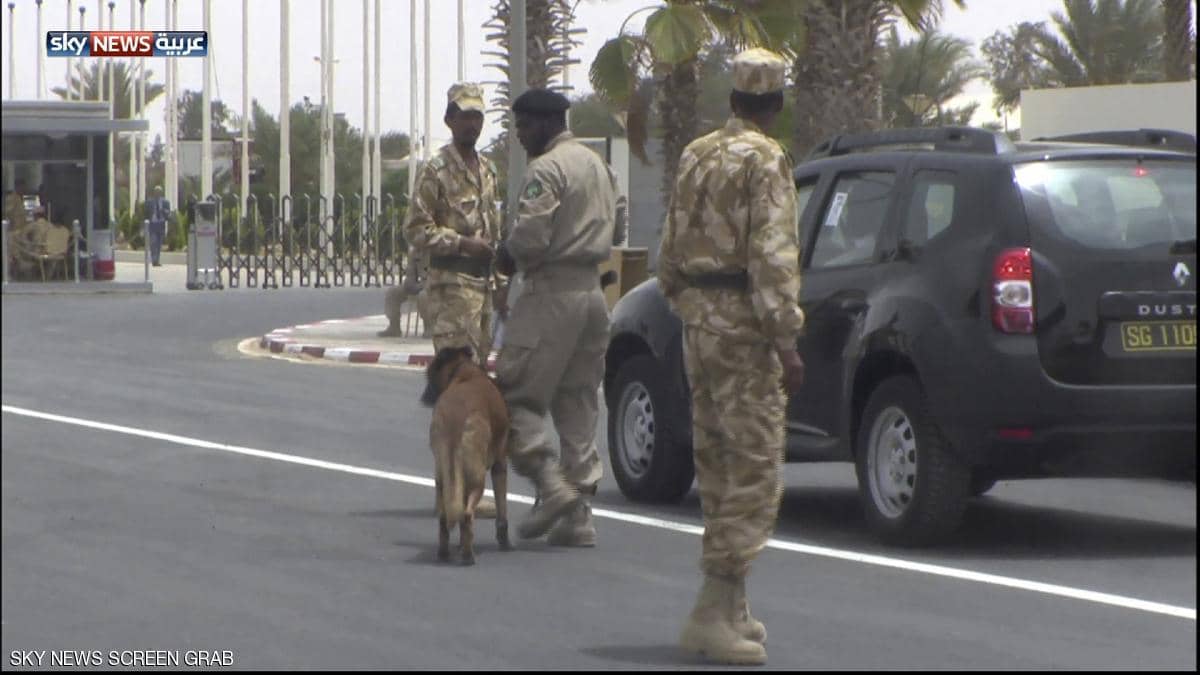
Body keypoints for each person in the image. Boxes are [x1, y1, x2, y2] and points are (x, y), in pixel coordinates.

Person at [655, 48, 806, 666]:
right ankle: (713, 608)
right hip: (745, 330)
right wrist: (786, 339)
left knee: (715, 462)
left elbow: (668, 251)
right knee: (754, 470)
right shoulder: (766, 160)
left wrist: (690, 305)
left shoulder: (697, 153)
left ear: (734, 99)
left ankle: (731, 605)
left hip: (701, 325)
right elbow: (773, 256)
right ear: (776, 104)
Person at [493, 88, 624, 547]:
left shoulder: (546, 168)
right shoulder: (599, 166)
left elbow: (529, 237)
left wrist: (505, 255)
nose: (521, 137)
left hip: (551, 294)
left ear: (547, 124)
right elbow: (620, 226)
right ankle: (578, 516)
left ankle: (551, 487)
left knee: (511, 398)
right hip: (593, 293)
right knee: (578, 403)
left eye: (525, 127)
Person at [403, 82, 503, 519]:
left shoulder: (489, 170)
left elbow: (494, 230)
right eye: (464, 115)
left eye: (478, 116)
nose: (472, 123)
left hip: (482, 291)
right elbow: (415, 229)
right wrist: (461, 244)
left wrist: (499, 280)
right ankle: (448, 486)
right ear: (449, 119)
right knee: (454, 395)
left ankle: (469, 485)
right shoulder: (435, 171)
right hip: (449, 288)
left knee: (478, 392)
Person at [144, 185, 172, 266]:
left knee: (159, 244)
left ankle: (157, 259)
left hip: (161, 224)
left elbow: (168, 213)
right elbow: (145, 214)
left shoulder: (165, 202)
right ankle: (154, 260)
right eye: (156, 192)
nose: (158, 193)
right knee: (153, 242)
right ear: (154, 193)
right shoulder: (149, 202)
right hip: (153, 224)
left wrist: (164, 211)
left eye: (159, 192)